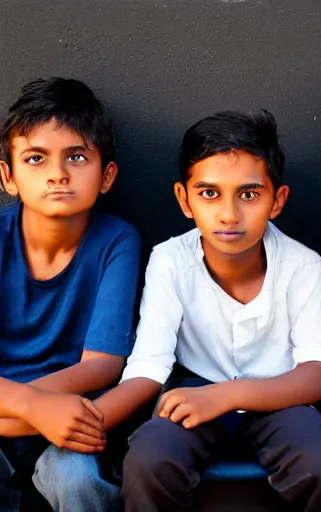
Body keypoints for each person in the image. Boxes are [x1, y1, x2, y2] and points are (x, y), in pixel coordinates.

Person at [118, 110, 321, 511]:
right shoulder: (170, 260)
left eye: (249, 194)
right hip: (194, 392)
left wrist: (227, 395)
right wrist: (100, 415)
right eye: (209, 193)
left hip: (280, 397)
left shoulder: (302, 264)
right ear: (184, 199)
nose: (229, 214)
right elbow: (149, 363)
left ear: (276, 200)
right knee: (148, 459)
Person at [0, 77, 141, 511]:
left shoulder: (117, 241)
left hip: (72, 417)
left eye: (76, 157)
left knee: (78, 479)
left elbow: (103, 365)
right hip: (16, 406)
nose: (58, 174)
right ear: (8, 176)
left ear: (106, 176)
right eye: (36, 159)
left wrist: (42, 410)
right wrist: (28, 405)